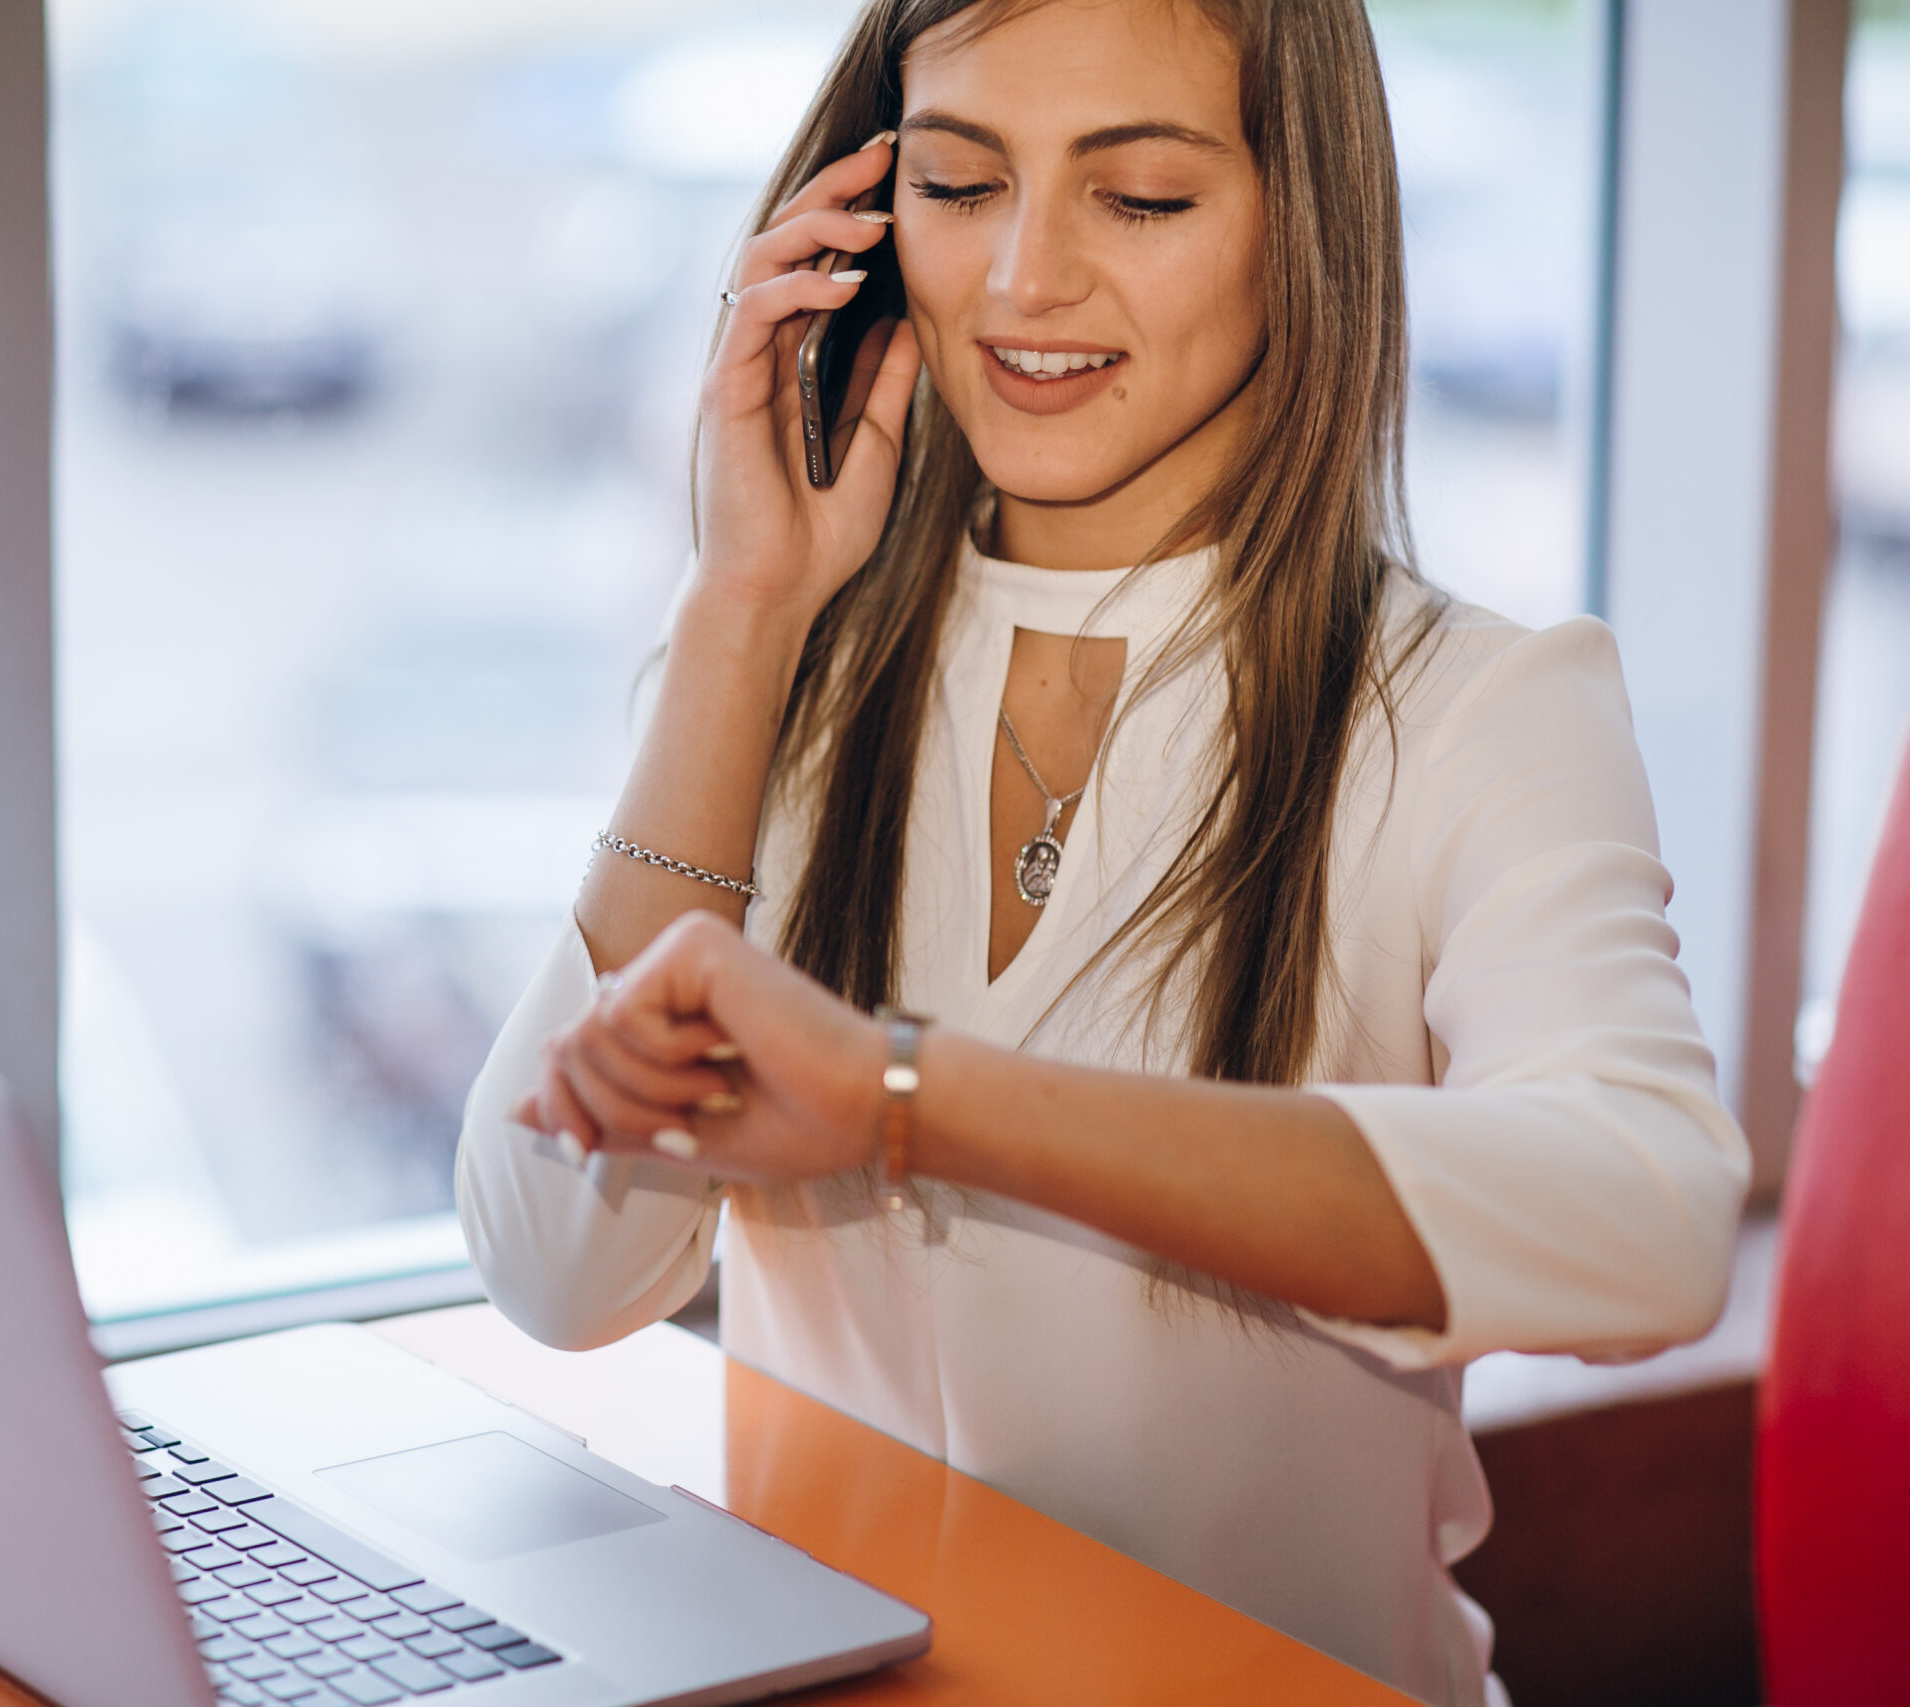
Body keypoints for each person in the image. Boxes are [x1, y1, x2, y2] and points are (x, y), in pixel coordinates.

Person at [453, 2, 1748, 1702]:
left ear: (1305, 222)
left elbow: (1649, 1222)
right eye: (959, 185)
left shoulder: (1477, 707)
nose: (1022, 281)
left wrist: (911, 1096)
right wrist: (738, 613)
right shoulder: (786, 678)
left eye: (1138, 199)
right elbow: (558, 1269)